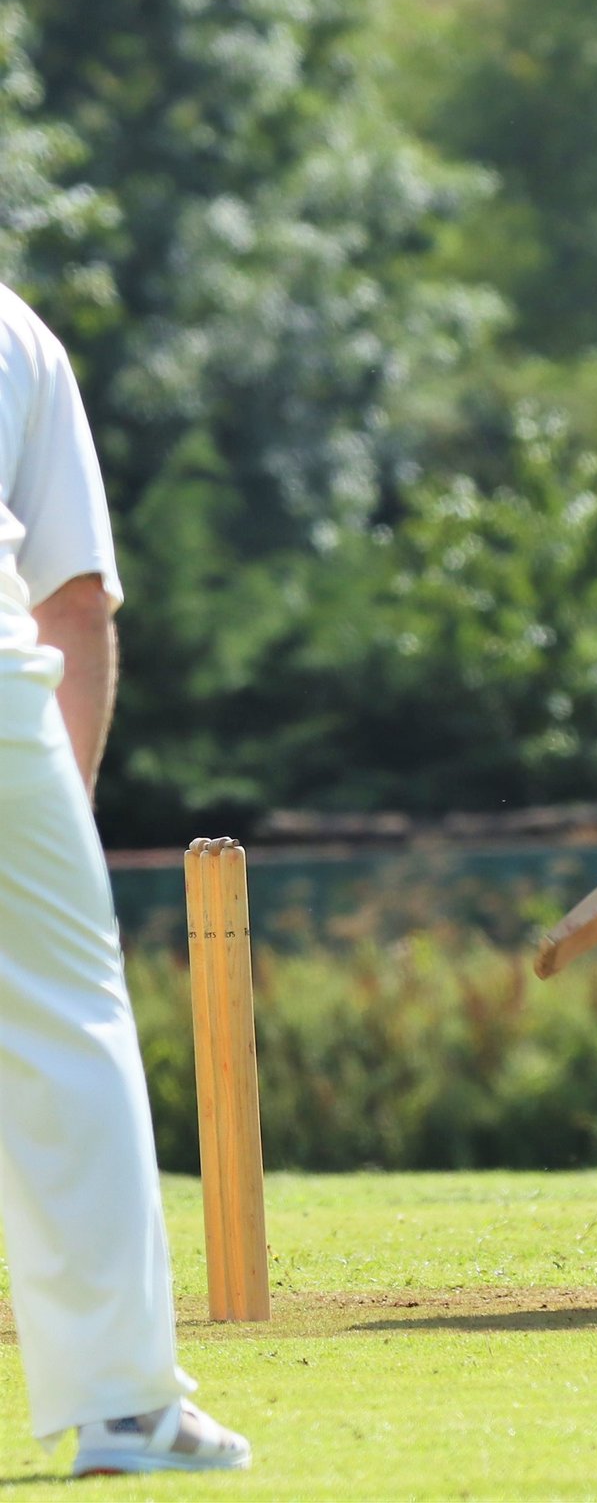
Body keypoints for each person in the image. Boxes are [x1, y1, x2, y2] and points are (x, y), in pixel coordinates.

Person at [0, 284, 250, 1475]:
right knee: (66, 1026)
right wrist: (63, 843)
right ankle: (119, 1408)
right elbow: (76, 605)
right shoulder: (14, 329)